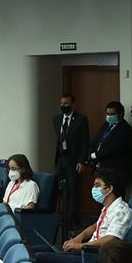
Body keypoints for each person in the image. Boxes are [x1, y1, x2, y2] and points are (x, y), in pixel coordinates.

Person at [33, 167, 132, 263]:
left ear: (109, 189)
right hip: (88, 250)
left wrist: (81, 246)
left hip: (97, 257)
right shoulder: (108, 208)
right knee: (36, 249)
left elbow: (110, 239)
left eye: (97, 185)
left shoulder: (121, 211)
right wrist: (77, 239)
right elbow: (95, 226)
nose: (93, 189)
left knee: (40, 257)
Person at [54, 94, 91, 230]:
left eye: (66, 103)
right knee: (59, 190)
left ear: (72, 104)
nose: (63, 106)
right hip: (61, 160)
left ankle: (71, 221)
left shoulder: (81, 120)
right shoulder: (57, 119)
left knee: (72, 190)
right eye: (61, 103)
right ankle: (61, 218)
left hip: (74, 160)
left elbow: (85, 142)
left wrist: (82, 161)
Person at [88, 101, 132, 191]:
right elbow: (96, 141)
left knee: (114, 199)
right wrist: (90, 154)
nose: (109, 116)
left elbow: (113, 149)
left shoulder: (125, 129)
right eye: (107, 113)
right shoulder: (106, 125)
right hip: (102, 170)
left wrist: (94, 155)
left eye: (112, 114)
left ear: (121, 114)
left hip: (116, 173)